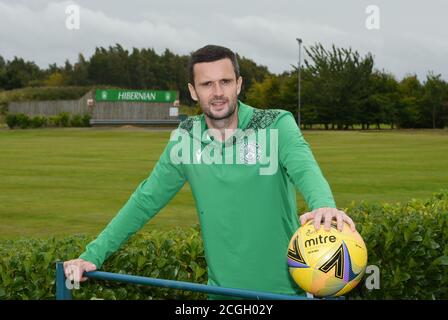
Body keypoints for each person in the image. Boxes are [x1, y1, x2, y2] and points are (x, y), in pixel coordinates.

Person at [64, 44, 356, 298]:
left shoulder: (276, 124)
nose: (217, 93)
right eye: (207, 84)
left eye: (225, 81)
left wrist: (324, 205)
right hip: (219, 293)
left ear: (239, 84)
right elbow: (145, 200)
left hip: (283, 292)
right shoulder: (185, 137)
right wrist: (91, 255)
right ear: (193, 91)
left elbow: (306, 168)